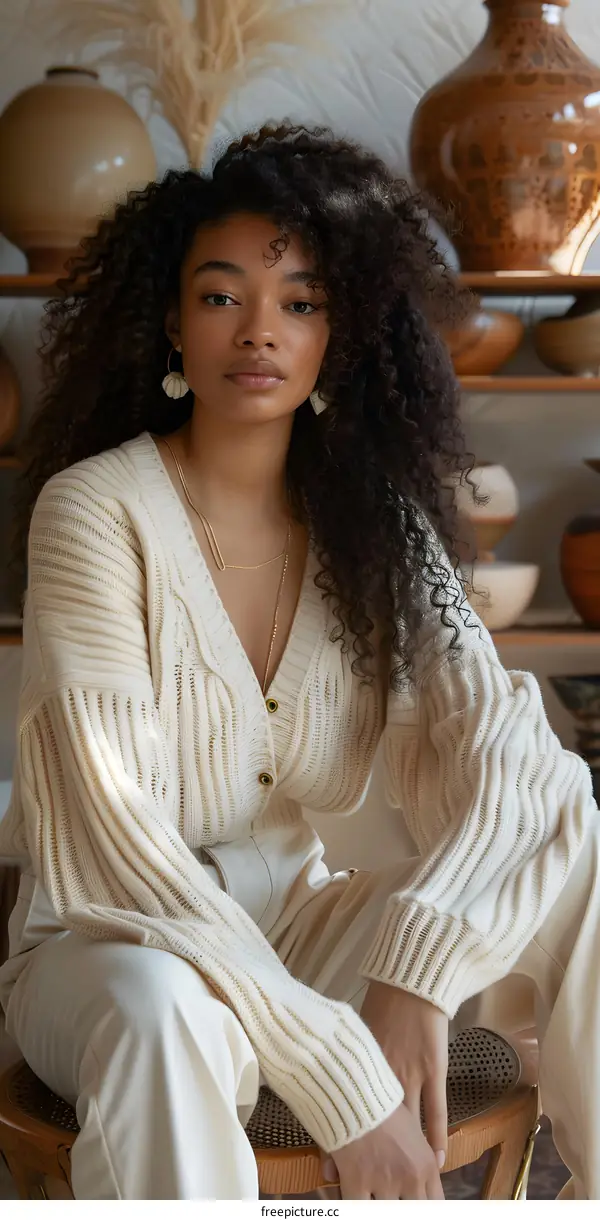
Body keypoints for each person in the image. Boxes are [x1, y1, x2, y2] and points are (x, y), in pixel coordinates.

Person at [0, 125, 597, 1202]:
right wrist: (341, 1076)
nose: (260, 329)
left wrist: (413, 973)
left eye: (302, 301)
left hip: (298, 930)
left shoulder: (376, 528)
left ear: (341, 331)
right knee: (162, 1006)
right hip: (110, 948)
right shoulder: (93, 514)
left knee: (577, 836)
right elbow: (117, 846)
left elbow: (527, 772)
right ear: (173, 323)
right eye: (221, 295)